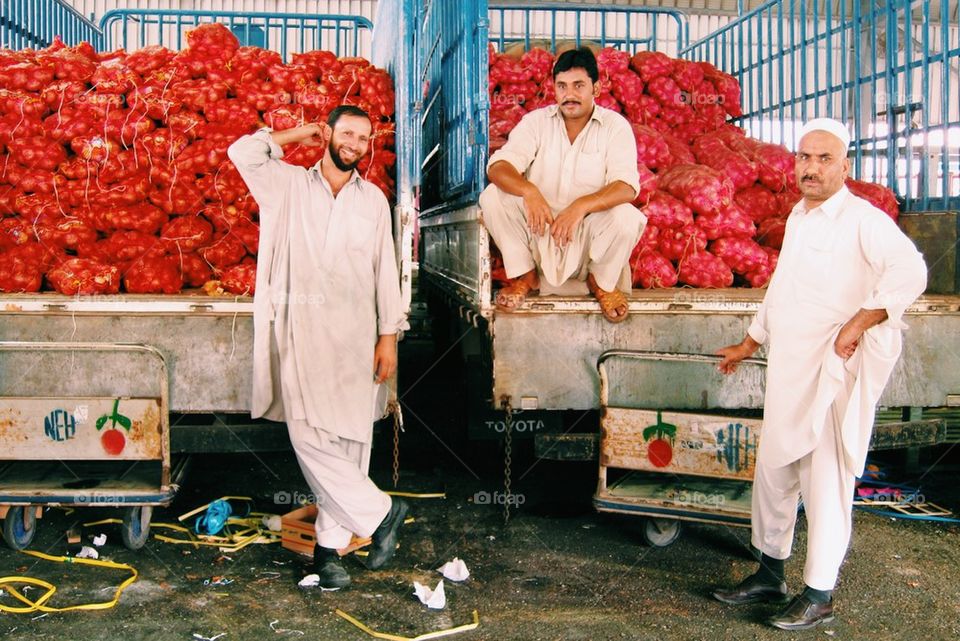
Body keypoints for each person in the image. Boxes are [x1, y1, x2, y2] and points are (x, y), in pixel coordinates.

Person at [712, 118, 927, 630]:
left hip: (834, 370)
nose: (811, 167)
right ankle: (769, 571)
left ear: (845, 166)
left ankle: (819, 593)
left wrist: (861, 320)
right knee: (774, 472)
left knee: (824, 478)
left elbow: (912, 271)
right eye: (804, 157)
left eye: (824, 158)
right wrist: (750, 340)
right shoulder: (799, 215)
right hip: (791, 366)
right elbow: (781, 286)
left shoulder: (863, 219)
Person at [228, 105, 410, 590]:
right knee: (309, 437)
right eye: (346, 133)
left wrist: (388, 334)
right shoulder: (286, 186)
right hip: (301, 330)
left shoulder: (372, 200)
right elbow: (242, 151)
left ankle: (328, 554)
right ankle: (383, 513)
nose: (355, 144)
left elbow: (383, 270)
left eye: (364, 138)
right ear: (328, 133)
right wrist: (300, 131)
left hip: (356, 336)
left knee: (351, 443)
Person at [479, 47, 646, 323]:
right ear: (553, 89)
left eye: (579, 85)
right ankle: (526, 276)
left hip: (586, 239)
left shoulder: (615, 126)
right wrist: (528, 191)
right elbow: (498, 167)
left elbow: (626, 187)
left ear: (597, 87)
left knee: (628, 216)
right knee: (493, 197)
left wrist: (580, 207)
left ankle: (601, 282)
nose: (569, 94)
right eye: (562, 86)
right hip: (540, 231)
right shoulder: (536, 122)